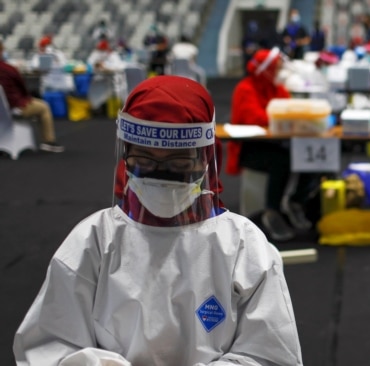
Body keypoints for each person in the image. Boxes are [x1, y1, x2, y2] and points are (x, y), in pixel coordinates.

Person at [13, 75, 303, 365]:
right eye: (144, 161)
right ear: (125, 156)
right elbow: (50, 345)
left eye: (179, 164)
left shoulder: (242, 245)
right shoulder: (94, 241)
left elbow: (271, 354)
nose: (161, 176)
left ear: (206, 160)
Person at [226, 47, 313, 242]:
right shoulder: (245, 88)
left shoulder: (277, 88)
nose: (281, 73)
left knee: (308, 156)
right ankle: (271, 212)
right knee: (281, 161)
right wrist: (283, 116)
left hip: (277, 143)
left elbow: (289, 109)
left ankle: (296, 201)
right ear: (266, 70)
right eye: (278, 68)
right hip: (250, 148)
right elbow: (254, 117)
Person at [0, 38, 64, 153]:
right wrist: (27, 99)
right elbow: (22, 89)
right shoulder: (9, 69)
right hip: (14, 107)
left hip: (2, 111)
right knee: (44, 107)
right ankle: (49, 142)